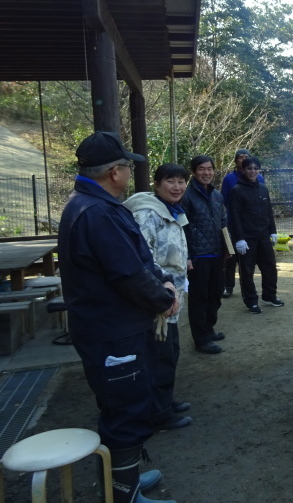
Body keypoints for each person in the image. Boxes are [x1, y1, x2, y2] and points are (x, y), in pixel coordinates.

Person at [58, 131, 178, 503]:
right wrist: (163, 299)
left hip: (116, 327)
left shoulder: (94, 205)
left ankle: (124, 480)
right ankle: (124, 496)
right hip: (112, 332)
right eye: (126, 166)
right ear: (114, 172)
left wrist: (163, 281)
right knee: (125, 410)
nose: (128, 173)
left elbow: (138, 260)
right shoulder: (96, 212)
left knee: (124, 403)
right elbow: (127, 274)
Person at [124, 163, 192, 432]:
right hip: (157, 299)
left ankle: (164, 401)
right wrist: (161, 292)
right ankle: (158, 412)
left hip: (171, 296)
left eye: (181, 181)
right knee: (159, 355)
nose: (177, 187)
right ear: (156, 184)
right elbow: (143, 258)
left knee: (170, 351)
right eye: (170, 181)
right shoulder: (146, 214)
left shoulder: (171, 210)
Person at [181, 155, 227, 354]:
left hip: (217, 253)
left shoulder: (217, 195)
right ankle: (201, 339)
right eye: (201, 169)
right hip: (199, 256)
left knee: (215, 295)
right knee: (199, 298)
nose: (206, 173)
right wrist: (188, 255)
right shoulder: (186, 195)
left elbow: (224, 222)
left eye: (209, 169)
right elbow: (182, 228)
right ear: (193, 171)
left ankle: (208, 329)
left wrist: (228, 249)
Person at [228, 157, 283, 313]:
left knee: (270, 267)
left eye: (255, 168)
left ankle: (269, 295)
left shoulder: (263, 188)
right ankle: (251, 300)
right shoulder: (237, 190)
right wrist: (239, 239)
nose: (253, 171)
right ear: (243, 170)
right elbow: (235, 217)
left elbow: (269, 212)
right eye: (249, 168)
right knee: (247, 270)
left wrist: (273, 231)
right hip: (247, 238)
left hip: (264, 235)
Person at [220, 148, 263, 298]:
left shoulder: (259, 178)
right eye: (240, 157)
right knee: (231, 256)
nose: (243, 159)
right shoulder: (229, 179)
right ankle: (228, 285)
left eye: (246, 157)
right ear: (236, 160)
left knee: (248, 260)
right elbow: (224, 199)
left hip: (252, 226)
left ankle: (248, 288)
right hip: (233, 222)